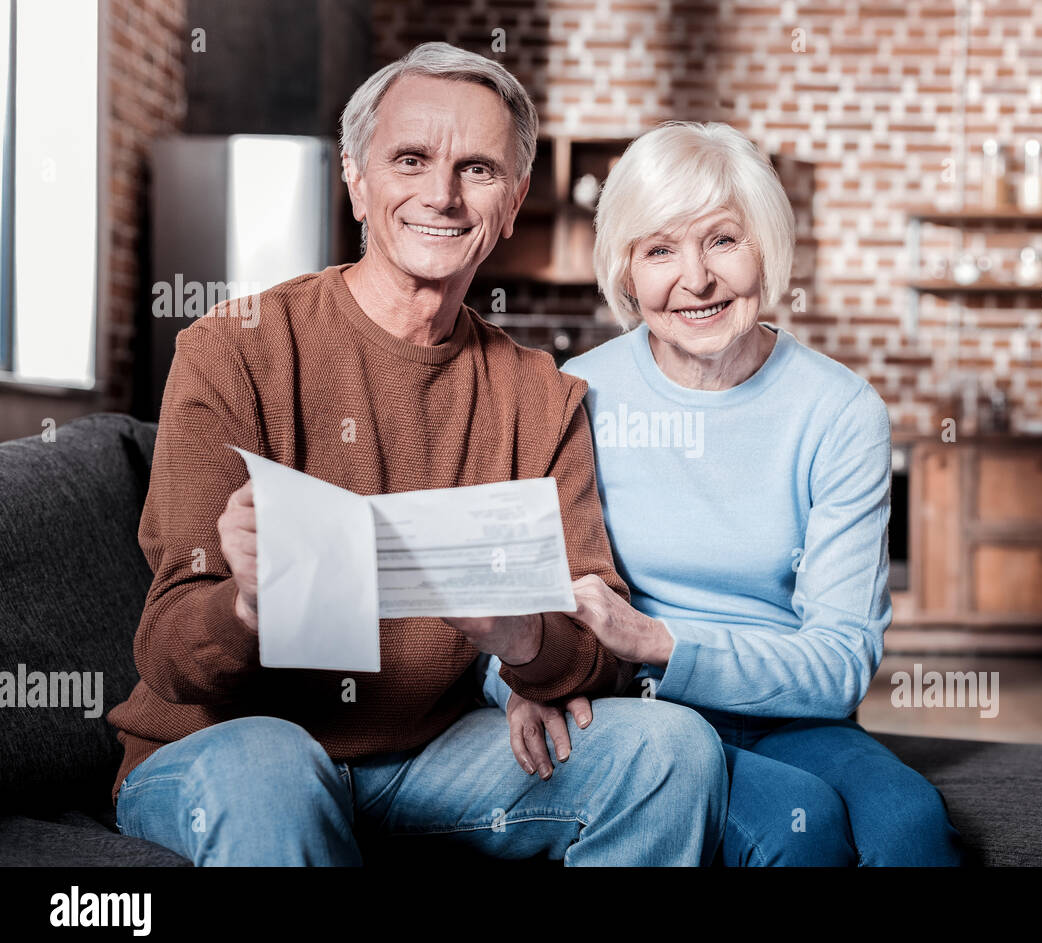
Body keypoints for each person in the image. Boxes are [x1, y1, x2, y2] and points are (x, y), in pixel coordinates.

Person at [106, 44, 728, 867]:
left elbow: (600, 649)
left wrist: (527, 641)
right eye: (410, 160)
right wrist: (250, 607)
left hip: (433, 760)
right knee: (274, 766)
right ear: (357, 180)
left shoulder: (542, 395)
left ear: (510, 205)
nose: (441, 194)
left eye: (477, 169)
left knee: (670, 750)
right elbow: (170, 654)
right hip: (229, 750)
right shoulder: (231, 352)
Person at [484, 121, 966, 866]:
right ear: (625, 270)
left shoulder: (839, 411)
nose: (697, 279)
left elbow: (839, 664)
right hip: (640, 715)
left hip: (791, 712)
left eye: (722, 241)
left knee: (911, 823)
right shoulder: (574, 395)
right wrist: (518, 683)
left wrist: (662, 642)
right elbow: (497, 592)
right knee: (796, 829)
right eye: (659, 250)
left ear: (766, 249)